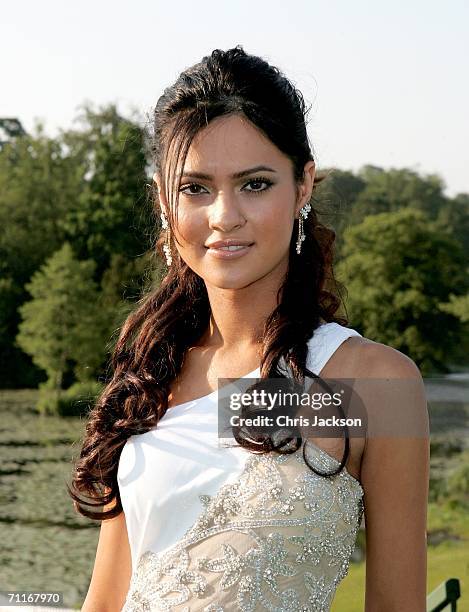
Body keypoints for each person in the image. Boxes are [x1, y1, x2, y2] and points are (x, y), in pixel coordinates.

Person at [72, 46, 429, 611]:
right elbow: (108, 597)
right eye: (195, 188)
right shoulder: (152, 369)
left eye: (255, 183)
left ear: (303, 185)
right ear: (163, 201)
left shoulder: (372, 384)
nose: (223, 215)